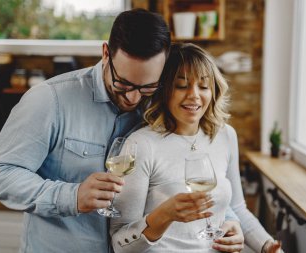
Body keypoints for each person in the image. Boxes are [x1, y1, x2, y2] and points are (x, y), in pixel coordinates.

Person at [0, 9, 243, 253]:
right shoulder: (49, 100)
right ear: (106, 53)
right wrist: (70, 196)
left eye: (147, 87)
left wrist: (228, 218)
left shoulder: (158, 103)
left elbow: (182, 169)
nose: (133, 98)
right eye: (123, 84)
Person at [110, 43, 283, 253]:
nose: (194, 95)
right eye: (182, 86)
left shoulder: (225, 135)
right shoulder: (141, 145)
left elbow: (237, 208)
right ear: (164, 91)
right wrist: (163, 215)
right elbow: (120, 243)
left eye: (203, 86)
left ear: (213, 90)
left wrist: (268, 246)